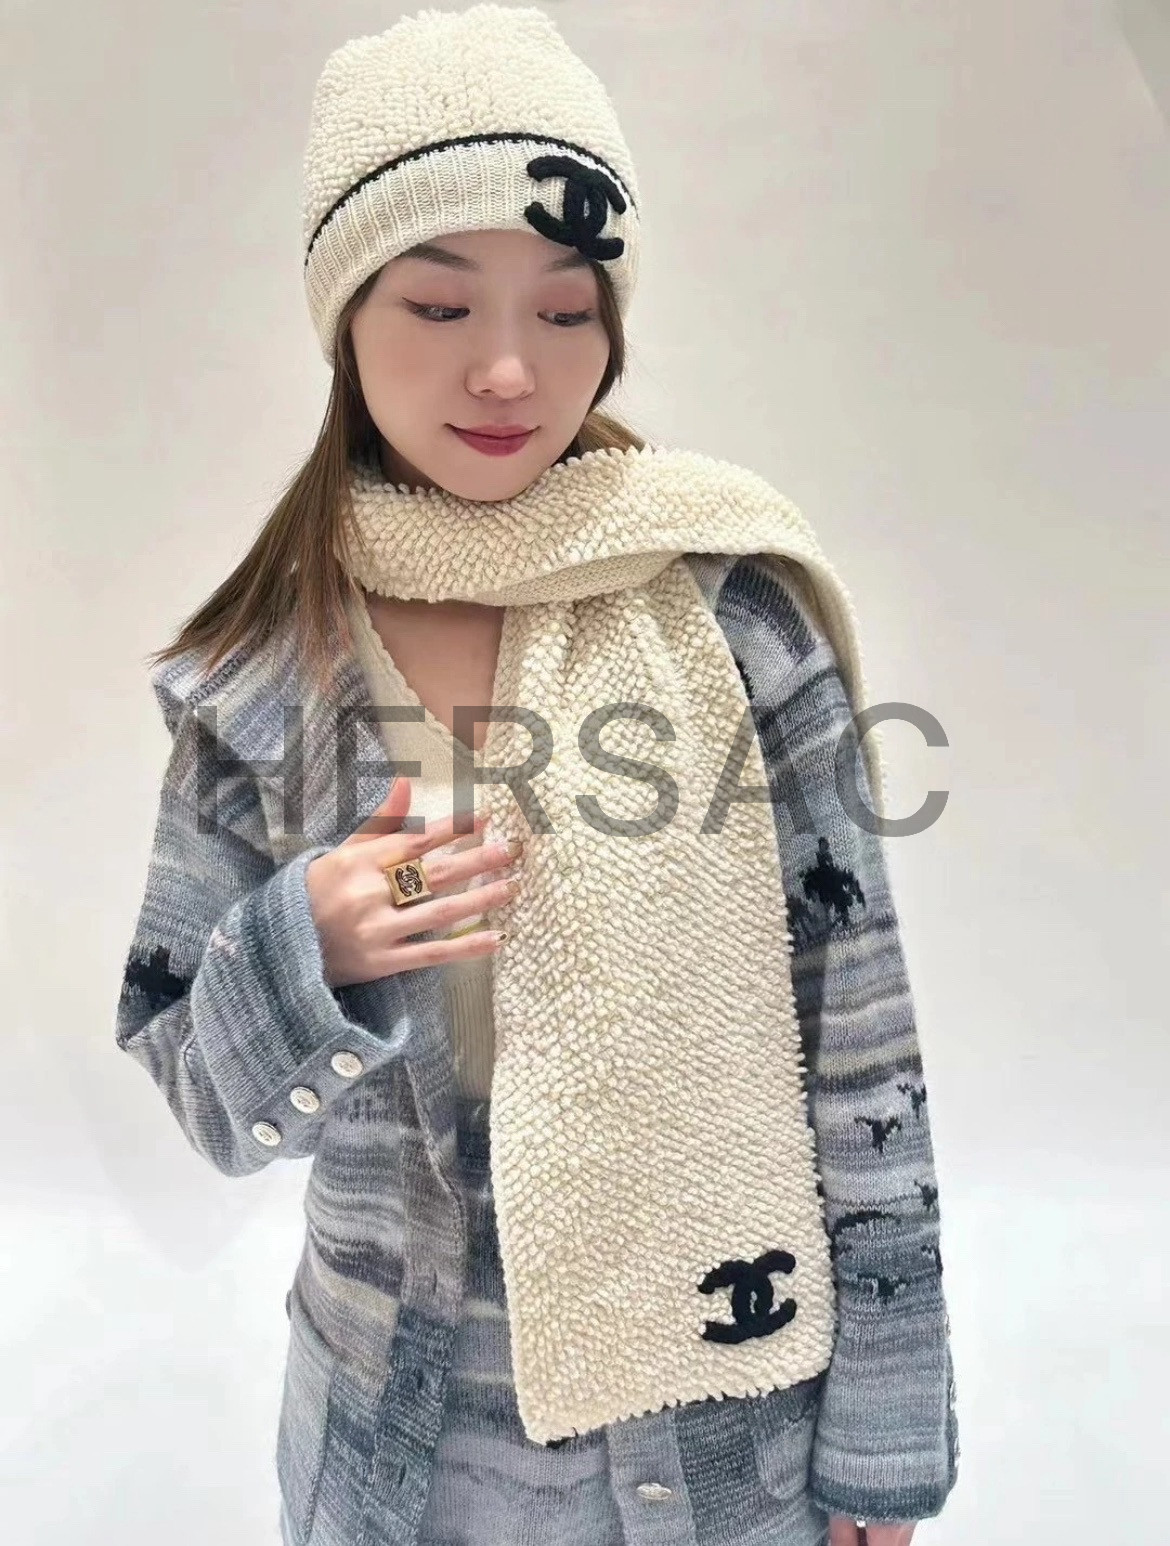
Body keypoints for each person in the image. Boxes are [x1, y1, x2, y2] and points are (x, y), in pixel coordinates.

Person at [115, 6, 959, 1545]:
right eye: (438, 302)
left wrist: (883, 1442)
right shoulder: (263, 675)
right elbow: (198, 1096)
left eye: (566, 312)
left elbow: (861, 1044)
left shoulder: (735, 621)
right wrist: (312, 944)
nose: (508, 367)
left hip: (726, 1445)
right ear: (343, 316)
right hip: (401, 1452)